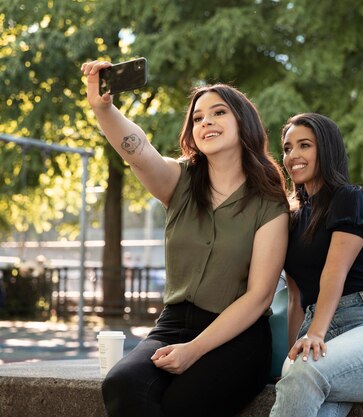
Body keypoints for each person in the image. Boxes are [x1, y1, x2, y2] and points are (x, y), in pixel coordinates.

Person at [81, 60, 289, 417]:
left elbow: (259, 297)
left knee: (182, 404)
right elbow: (137, 150)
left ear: (244, 123)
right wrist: (104, 109)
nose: (205, 121)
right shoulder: (178, 181)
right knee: (122, 384)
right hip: (173, 325)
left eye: (218, 112)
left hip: (237, 337)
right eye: (197, 118)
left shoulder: (269, 203)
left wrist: (193, 350)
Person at [270, 113, 363, 417]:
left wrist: (315, 336)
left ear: (325, 149)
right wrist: (296, 348)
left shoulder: (348, 198)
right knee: (303, 379)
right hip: (320, 332)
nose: (293, 156)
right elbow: (297, 297)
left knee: (306, 372)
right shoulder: (291, 218)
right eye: (287, 148)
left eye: (304, 145)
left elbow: (334, 272)